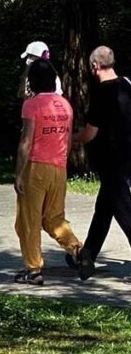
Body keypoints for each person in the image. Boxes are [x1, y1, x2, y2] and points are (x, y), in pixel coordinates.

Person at [13, 59, 83, 285]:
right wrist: (63, 162)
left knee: (29, 220)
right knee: (54, 218)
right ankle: (77, 250)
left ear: (32, 81)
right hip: (59, 167)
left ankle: (33, 269)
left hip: (36, 167)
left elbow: (26, 140)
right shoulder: (65, 105)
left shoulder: (32, 105)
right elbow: (68, 138)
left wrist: (19, 173)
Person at [72, 46, 131, 280]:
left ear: (94, 66)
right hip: (126, 155)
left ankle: (87, 255)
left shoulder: (102, 93)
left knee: (123, 208)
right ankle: (87, 255)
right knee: (105, 208)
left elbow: (90, 133)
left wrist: (72, 138)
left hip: (110, 159)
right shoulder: (127, 85)